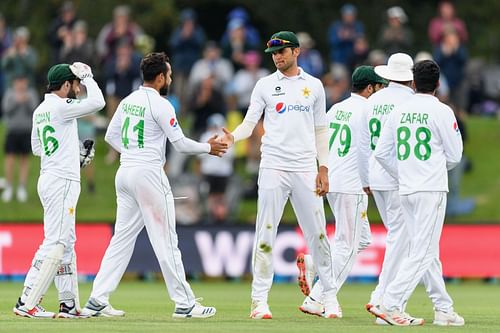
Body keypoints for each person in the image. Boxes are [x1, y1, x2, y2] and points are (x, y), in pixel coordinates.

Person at [81, 52, 224, 318]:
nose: (169, 78)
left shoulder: (128, 100)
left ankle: (97, 300)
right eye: (168, 75)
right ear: (160, 78)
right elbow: (180, 144)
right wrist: (208, 147)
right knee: (166, 240)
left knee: (121, 239)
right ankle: (185, 304)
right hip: (148, 174)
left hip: (125, 173)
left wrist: (134, 152)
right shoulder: (162, 104)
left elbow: (111, 136)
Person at [220, 31, 338, 319]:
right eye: (273, 53)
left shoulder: (314, 86)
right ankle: (259, 301)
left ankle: (329, 298)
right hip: (273, 165)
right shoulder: (264, 85)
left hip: (305, 168)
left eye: (282, 51)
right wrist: (232, 138)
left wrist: (323, 168)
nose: (277, 57)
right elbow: (250, 123)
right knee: (266, 233)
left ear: (296, 52)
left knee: (319, 235)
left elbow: (321, 130)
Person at [368, 60, 465, 326]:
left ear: (413, 82)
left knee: (425, 250)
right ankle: (390, 303)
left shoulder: (399, 111)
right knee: (422, 251)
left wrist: (403, 173)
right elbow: (455, 155)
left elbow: (380, 154)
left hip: (406, 189)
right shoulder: (442, 111)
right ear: (437, 84)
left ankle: (443, 308)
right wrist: (430, 167)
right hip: (430, 188)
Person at [12, 62, 105, 318]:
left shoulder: (40, 110)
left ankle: (69, 304)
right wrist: (88, 76)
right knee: (56, 242)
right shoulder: (62, 107)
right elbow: (98, 102)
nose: (77, 88)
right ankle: (27, 301)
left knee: (67, 243)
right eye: (74, 83)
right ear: (65, 85)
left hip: (50, 177)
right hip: (62, 181)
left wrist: (70, 154)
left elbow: (37, 148)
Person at [296, 66, 387, 318]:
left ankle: (317, 264)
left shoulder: (337, 107)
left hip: (332, 179)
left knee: (363, 239)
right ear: (370, 88)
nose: (380, 92)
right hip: (351, 184)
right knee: (347, 246)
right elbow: (369, 149)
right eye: (379, 87)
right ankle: (317, 298)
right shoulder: (368, 110)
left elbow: (319, 140)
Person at [1, 74, 39, 203]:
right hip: (12, 131)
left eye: (23, 82)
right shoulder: (9, 94)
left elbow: (35, 111)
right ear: (15, 83)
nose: (21, 85)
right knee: (9, 160)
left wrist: (26, 100)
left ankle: (22, 187)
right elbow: (6, 110)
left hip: (26, 132)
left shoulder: (31, 94)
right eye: (18, 82)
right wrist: (17, 101)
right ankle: (9, 187)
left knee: (24, 159)